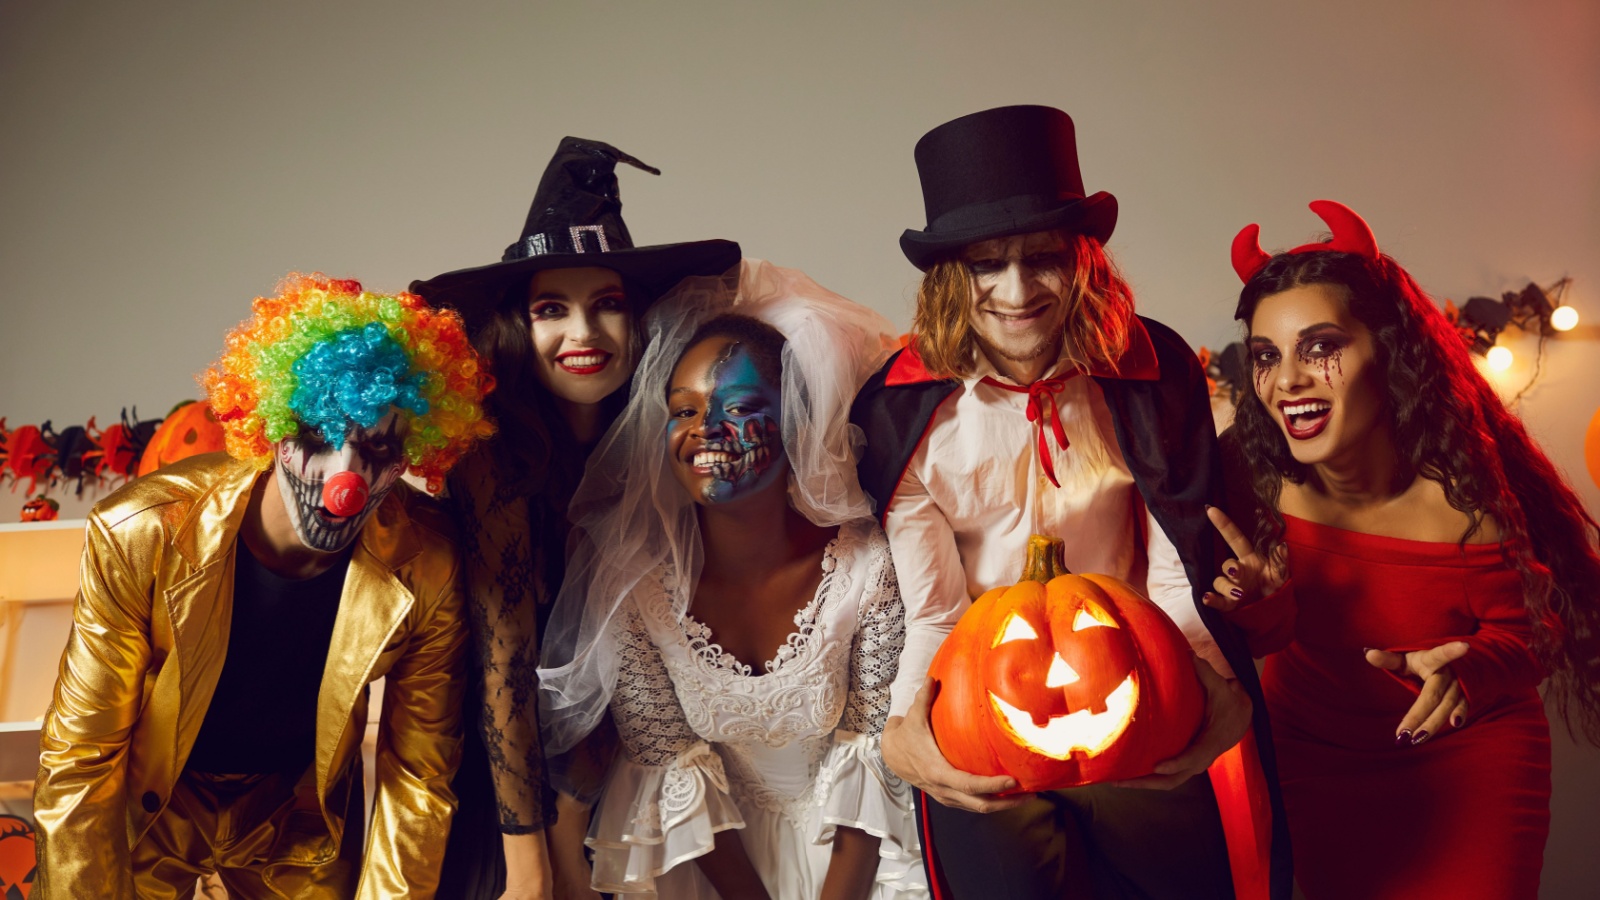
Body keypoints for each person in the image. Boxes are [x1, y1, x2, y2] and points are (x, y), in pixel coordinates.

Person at [849, 105, 1291, 899]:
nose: (1017, 291)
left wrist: (1215, 692)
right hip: (984, 694)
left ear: (1082, 260)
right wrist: (904, 730)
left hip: (1136, 679)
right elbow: (936, 612)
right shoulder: (897, 410)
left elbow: (1173, 570)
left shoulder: (1155, 375)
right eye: (987, 265)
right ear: (953, 276)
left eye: (1042, 258)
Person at [33, 273, 495, 898]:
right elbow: (80, 755)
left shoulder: (429, 562)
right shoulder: (142, 533)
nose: (345, 480)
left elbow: (418, 775)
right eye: (315, 438)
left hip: (296, 815)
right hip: (155, 804)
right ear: (269, 425)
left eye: (378, 447)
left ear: (413, 450)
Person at [1205, 200, 1600, 899]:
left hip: (1466, 760)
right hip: (1314, 754)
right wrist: (1260, 608)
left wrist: (1471, 670)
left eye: (1321, 346)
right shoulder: (1249, 471)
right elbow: (1263, 632)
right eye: (1267, 356)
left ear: (1388, 350)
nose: (1288, 379)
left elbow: (1534, 633)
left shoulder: (1465, 496)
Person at [409, 136, 740, 899]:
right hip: (505, 788)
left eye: (608, 305)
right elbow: (506, 667)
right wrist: (536, 869)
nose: (583, 335)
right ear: (518, 328)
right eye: (551, 309)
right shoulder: (494, 456)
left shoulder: (667, 440)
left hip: (633, 772)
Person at [537, 261, 924, 899]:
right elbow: (665, 761)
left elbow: (873, 753)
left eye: (739, 407)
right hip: (710, 864)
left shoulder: (867, 566)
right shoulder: (630, 587)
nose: (703, 431)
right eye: (682, 410)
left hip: (856, 862)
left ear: (798, 419)